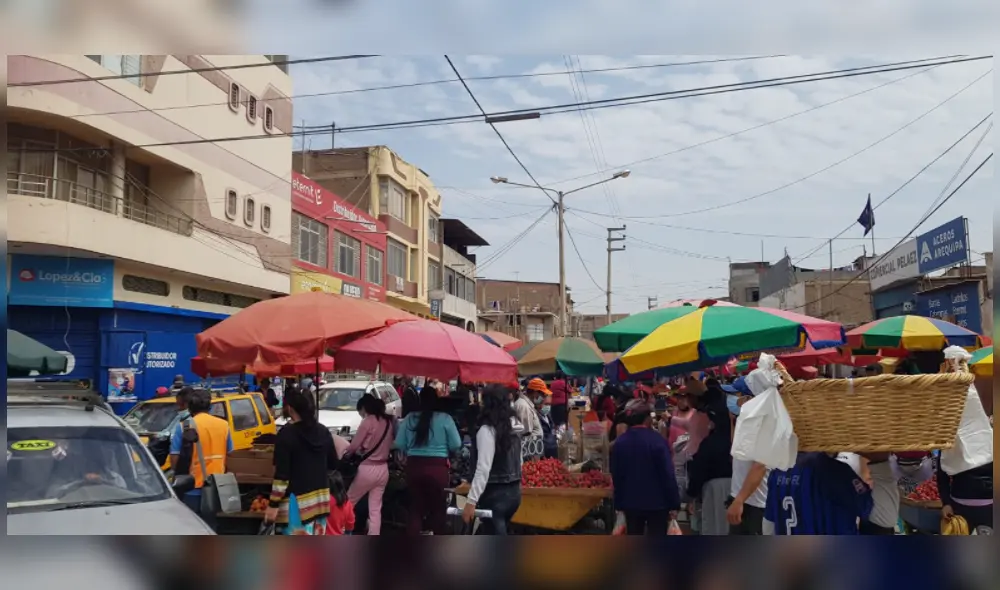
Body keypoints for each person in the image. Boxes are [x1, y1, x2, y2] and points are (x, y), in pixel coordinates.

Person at [264, 387, 339, 535]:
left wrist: (273, 505)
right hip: (320, 503)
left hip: (295, 506)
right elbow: (333, 464)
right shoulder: (323, 431)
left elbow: (281, 476)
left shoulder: (286, 435)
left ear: (290, 409)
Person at [395, 385, 462, 536]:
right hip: (438, 469)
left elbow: (398, 443)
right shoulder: (445, 419)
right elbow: (456, 444)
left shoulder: (410, 418)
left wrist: (409, 449)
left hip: (414, 468)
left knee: (415, 509)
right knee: (438, 509)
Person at [609, 399, 681, 535]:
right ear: (647, 418)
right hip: (658, 504)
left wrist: (618, 503)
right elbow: (667, 474)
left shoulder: (620, 443)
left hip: (630, 503)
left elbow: (616, 475)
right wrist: (674, 503)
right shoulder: (658, 441)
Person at [463, 384, 524, 535]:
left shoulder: (487, 430)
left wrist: (471, 501)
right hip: (514, 493)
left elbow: (483, 468)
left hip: (495, 495)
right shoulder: (515, 427)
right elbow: (520, 460)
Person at [168, 387, 233, 529]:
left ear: (190, 406)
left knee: (191, 527)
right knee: (210, 527)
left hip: (191, 488)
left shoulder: (184, 427)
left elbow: (174, 460)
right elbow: (230, 456)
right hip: (216, 487)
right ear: (209, 406)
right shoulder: (224, 425)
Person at [763, 452, 873, 535]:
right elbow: (877, 512)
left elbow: (768, 525)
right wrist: (879, 458)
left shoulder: (778, 470)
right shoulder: (837, 471)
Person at [684, 377, 733, 536]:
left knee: (715, 526)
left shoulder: (711, 442)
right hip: (734, 486)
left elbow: (699, 467)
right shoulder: (735, 440)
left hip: (714, 489)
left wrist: (691, 493)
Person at [344, 395, 395, 535]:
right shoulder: (388, 422)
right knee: (375, 510)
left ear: (364, 408)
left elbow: (353, 446)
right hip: (383, 469)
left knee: (348, 502)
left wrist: (345, 453)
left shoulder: (367, 421)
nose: (360, 415)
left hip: (367, 469)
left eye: (360, 412)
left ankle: (341, 531)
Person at [532, 387, 558, 459]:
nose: (548, 407)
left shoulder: (548, 416)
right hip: (544, 453)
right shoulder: (535, 417)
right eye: (546, 404)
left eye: (550, 404)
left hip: (553, 450)